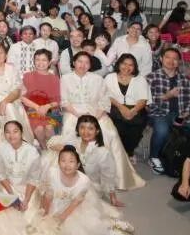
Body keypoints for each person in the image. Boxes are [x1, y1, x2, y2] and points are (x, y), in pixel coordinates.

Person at [60, 51, 144, 190]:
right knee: (71, 130)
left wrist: (96, 117)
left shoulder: (98, 79)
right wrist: (79, 115)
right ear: (74, 63)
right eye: (79, 61)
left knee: (108, 132)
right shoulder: (65, 78)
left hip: (96, 112)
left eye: (86, 62)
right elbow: (64, 101)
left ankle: (115, 178)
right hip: (73, 113)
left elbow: (105, 101)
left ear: (90, 65)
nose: (83, 65)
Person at [28, 146, 134, 235]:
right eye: (63, 161)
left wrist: (61, 218)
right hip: (54, 205)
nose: (66, 165)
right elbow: (47, 196)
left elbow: (75, 203)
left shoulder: (84, 180)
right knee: (56, 231)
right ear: (58, 163)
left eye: (71, 161)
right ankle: (112, 233)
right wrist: (44, 214)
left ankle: (114, 225)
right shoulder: (52, 173)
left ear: (78, 165)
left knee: (86, 225)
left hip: (71, 207)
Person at [0, 121, 40, 235]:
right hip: (6, 186)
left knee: (28, 214)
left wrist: (26, 199)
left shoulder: (32, 152)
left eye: (15, 131)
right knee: (5, 212)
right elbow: (0, 174)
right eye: (7, 132)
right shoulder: (0, 149)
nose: (11, 135)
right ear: (4, 134)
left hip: (27, 189)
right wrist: (12, 196)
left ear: (21, 133)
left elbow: (33, 179)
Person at [147, 48, 190, 176]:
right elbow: (146, 103)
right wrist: (166, 96)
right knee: (162, 130)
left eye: (175, 58)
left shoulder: (186, 80)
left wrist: (184, 115)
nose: (171, 61)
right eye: (168, 57)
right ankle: (153, 157)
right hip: (159, 113)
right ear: (161, 59)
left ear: (179, 61)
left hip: (181, 114)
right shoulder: (151, 77)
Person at [0, 43, 33, 144]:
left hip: (10, 102)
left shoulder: (11, 69)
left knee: (9, 107)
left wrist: (4, 102)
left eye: (1, 53)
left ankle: (18, 142)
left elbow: (17, 91)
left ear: (6, 55)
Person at [104, 53, 151, 160]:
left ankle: (129, 152)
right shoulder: (109, 77)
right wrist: (122, 107)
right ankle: (117, 153)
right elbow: (106, 96)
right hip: (115, 106)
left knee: (136, 127)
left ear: (135, 67)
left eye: (131, 65)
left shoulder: (140, 79)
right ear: (119, 64)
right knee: (118, 126)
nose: (127, 67)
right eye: (124, 64)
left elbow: (143, 100)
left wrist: (133, 111)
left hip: (136, 108)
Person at [21, 49, 61, 149]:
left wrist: (46, 107)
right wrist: (37, 107)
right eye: (37, 59)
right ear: (34, 61)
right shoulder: (27, 76)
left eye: (44, 60)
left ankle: (52, 149)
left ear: (49, 62)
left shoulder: (54, 78)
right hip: (32, 112)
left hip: (50, 112)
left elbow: (58, 100)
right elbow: (22, 97)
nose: (40, 63)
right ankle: (44, 148)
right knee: (39, 129)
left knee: (49, 128)